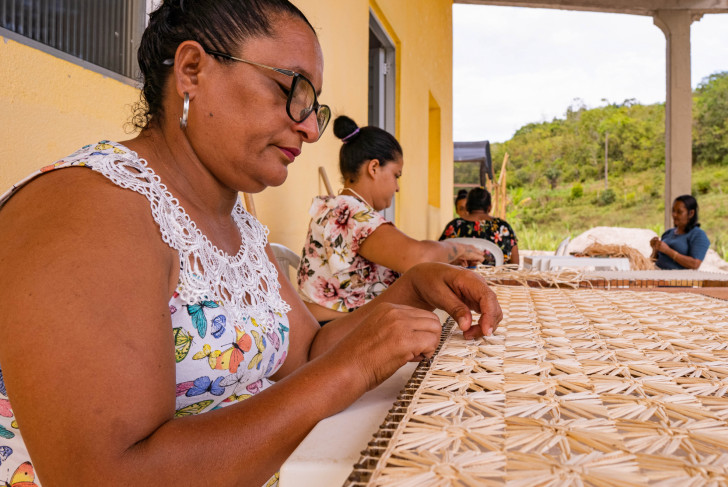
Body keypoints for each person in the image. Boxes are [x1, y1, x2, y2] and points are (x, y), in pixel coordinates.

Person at [0, 2, 501, 486]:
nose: (308, 128)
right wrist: (352, 369)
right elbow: (108, 476)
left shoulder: (232, 218)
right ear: (193, 70)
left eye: (313, 107)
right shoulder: (89, 208)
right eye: (293, 90)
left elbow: (305, 352)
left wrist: (412, 288)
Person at [297, 116, 485, 322]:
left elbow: (405, 261)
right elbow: (416, 257)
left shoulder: (339, 207)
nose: (397, 187)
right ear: (374, 168)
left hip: (336, 323)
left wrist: (445, 259)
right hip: (332, 328)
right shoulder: (349, 211)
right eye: (397, 175)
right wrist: (458, 248)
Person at [439, 187, 520, 265]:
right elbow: (515, 263)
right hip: (495, 279)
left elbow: (439, 255)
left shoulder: (454, 226)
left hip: (459, 278)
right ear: (489, 207)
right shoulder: (503, 227)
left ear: (467, 207)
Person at [650, 194, 710, 270]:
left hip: (676, 280)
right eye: (673, 211)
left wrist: (668, 251)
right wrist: (655, 249)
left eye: (679, 212)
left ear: (691, 213)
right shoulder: (668, 233)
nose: (674, 215)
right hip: (656, 272)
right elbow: (654, 259)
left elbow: (695, 264)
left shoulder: (698, 235)